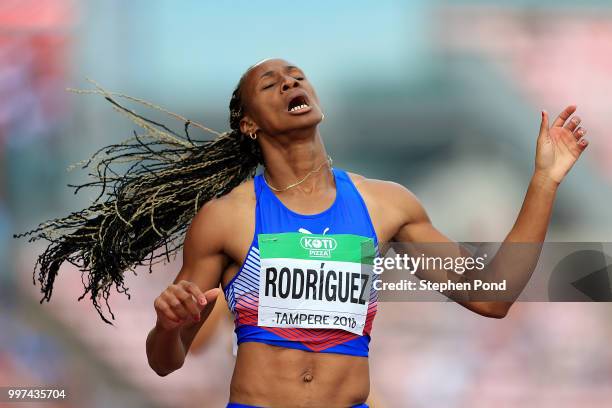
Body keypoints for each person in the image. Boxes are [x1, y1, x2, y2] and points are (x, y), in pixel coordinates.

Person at [16, 57, 588, 407]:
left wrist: (544, 181)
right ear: (248, 122)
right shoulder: (227, 217)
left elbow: (492, 296)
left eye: (298, 76)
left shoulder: (387, 205)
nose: (292, 82)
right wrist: (170, 325)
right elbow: (166, 362)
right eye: (272, 83)